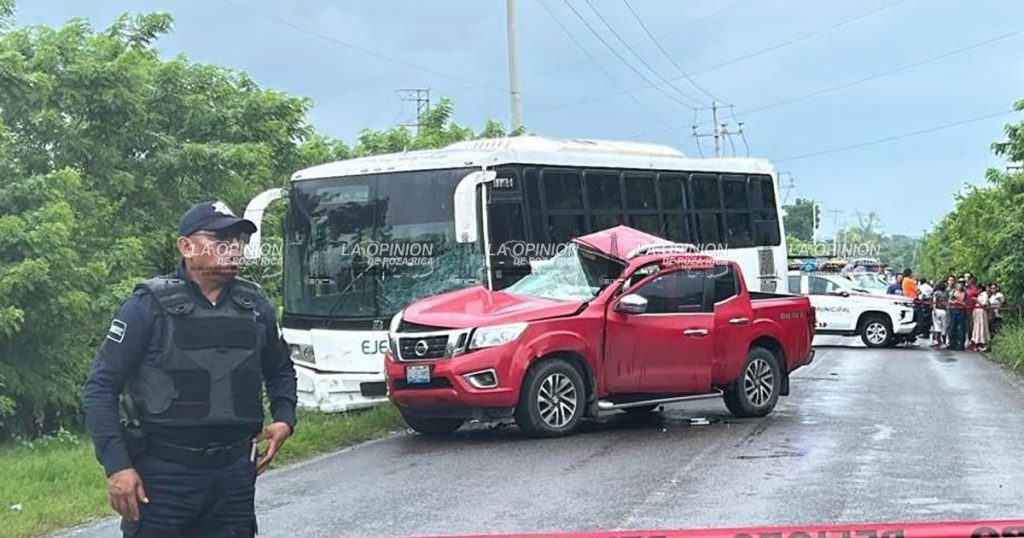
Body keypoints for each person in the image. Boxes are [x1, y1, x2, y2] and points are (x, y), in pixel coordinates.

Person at [83, 201, 298, 538]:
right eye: (221, 239)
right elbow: (100, 386)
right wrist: (118, 466)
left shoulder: (256, 307)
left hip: (234, 477)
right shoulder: (146, 307)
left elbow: (280, 368)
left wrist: (285, 417)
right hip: (164, 477)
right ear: (186, 246)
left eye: (239, 240)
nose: (234, 249)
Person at [947, 282, 968, 351]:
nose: (960, 286)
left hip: (961, 311)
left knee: (961, 328)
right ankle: (952, 343)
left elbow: (966, 303)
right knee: (952, 327)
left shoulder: (965, 294)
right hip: (953, 310)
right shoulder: (953, 292)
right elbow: (949, 301)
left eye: (962, 284)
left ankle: (961, 344)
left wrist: (958, 302)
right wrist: (953, 302)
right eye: (959, 284)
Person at [972, 283, 991, 352]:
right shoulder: (979, 295)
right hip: (977, 311)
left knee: (982, 327)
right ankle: (977, 342)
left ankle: (983, 343)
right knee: (977, 327)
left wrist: (977, 300)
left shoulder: (984, 294)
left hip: (981, 311)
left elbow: (984, 304)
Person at [931, 281, 948, 348]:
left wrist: (934, 309)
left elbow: (934, 301)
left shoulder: (936, 293)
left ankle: (937, 340)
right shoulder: (946, 293)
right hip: (944, 310)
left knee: (936, 325)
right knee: (944, 326)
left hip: (937, 310)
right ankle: (944, 341)